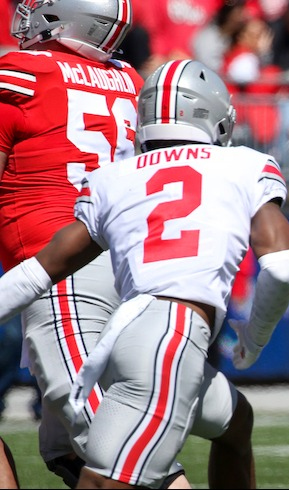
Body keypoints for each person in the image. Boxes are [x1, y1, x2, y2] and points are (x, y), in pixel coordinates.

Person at [0, 58, 289, 489]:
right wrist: (253, 339)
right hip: (171, 338)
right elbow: (283, 265)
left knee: (235, 421)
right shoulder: (244, 164)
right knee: (104, 482)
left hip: (122, 334)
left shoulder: (112, 178)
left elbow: (39, 272)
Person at [0, 1, 146, 486]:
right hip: (125, 266)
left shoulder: (22, 70)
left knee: (108, 439)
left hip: (57, 262)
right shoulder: (128, 79)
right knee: (66, 447)